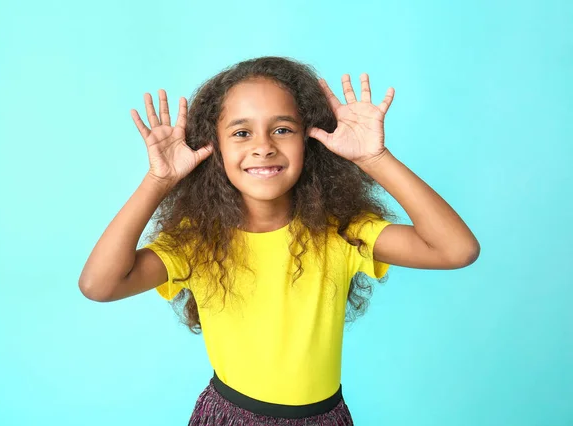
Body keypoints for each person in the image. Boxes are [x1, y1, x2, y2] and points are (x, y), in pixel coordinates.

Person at [79, 56, 480, 425]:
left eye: (282, 129)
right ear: (214, 148)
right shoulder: (197, 244)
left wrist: (375, 159)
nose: (263, 146)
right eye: (241, 132)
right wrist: (158, 182)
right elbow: (100, 285)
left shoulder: (341, 231)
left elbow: (456, 250)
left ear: (309, 139)